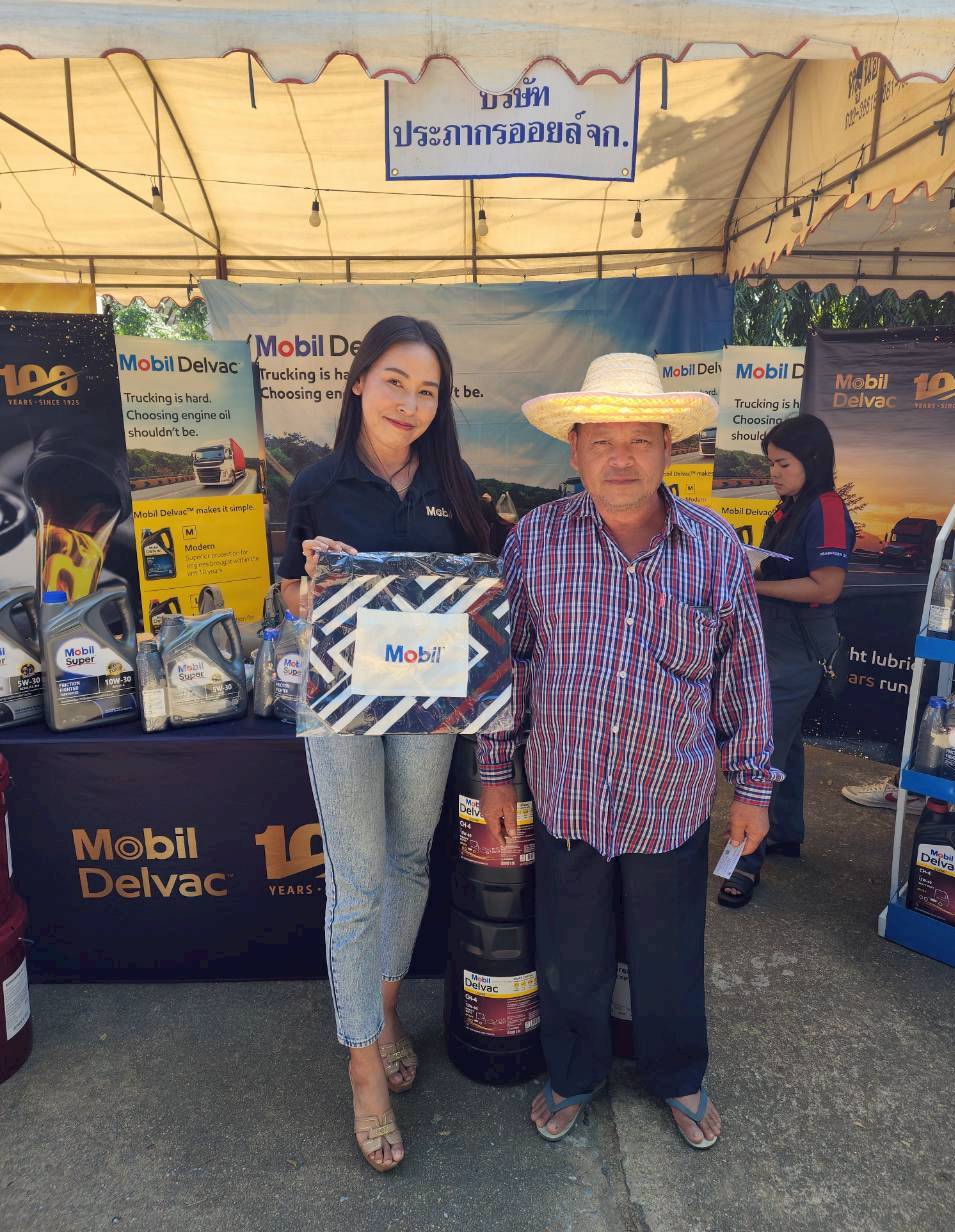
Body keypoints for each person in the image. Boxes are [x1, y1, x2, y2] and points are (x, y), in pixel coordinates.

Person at [476, 353, 779, 1148]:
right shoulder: (535, 541)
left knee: (667, 951)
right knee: (571, 952)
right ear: (574, 449)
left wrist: (753, 787)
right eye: (603, 441)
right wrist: (497, 774)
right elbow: (506, 668)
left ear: (668, 449)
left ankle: (677, 1074)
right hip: (568, 791)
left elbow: (743, 674)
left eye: (640, 440)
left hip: (667, 796)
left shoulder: (714, 547)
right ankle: (574, 1074)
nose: (621, 459)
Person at [278, 315, 488, 1173]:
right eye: (395, 381)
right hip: (340, 705)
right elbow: (290, 598)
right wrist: (313, 582)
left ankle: (387, 1004)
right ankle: (363, 1064)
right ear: (359, 380)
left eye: (427, 390)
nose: (410, 402)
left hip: (428, 706)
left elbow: (482, 594)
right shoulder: (316, 484)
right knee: (358, 879)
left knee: (408, 860)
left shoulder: (456, 485)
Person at [718, 414, 855, 908]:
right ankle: (785, 834)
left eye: (783, 464)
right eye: (770, 463)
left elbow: (826, 586)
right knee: (786, 743)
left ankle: (743, 864)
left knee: (762, 749)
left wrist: (753, 587)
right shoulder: (790, 507)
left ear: (811, 461)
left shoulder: (827, 507)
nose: (772, 473)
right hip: (775, 639)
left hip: (798, 645)